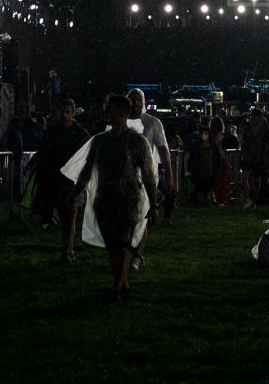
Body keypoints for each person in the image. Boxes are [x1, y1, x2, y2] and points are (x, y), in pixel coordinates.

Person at [69, 94, 157, 299]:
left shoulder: (137, 141)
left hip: (128, 199)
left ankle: (117, 285)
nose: (106, 113)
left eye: (110, 110)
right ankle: (122, 280)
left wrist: (154, 204)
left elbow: (149, 176)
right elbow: (87, 170)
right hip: (105, 199)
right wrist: (75, 193)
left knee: (124, 241)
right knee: (112, 243)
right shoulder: (99, 141)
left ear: (120, 114)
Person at [34, 99, 90, 261]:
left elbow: (86, 156)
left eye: (68, 112)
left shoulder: (80, 133)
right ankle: (67, 247)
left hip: (72, 179)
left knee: (70, 213)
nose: (65, 115)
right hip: (55, 178)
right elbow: (44, 151)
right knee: (62, 214)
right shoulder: (52, 132)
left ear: (73, 113)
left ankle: (68, 250)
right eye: (63, 112)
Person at [127, 89, 173, 265]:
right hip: (126, 177)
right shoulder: (122, 122)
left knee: (142, 215)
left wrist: (169, 174)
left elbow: (164, 150)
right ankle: (128, 251)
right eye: (133, 99)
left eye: (139, 99)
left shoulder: (153, 123)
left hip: (147, 178)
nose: (136, 103)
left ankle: (138, 255)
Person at [240, 110, 269, 208]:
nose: (255, 119)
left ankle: (254, 200)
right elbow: (244, 142)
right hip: (248, 156)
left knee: (256, 181)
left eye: (257, 117)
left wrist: (266, 158)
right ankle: (248, 198)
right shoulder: (247, 129)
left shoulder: (264, 129)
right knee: (245, 177)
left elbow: (267, 144)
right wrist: (242, 154)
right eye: (254, 116)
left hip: (259, 157)